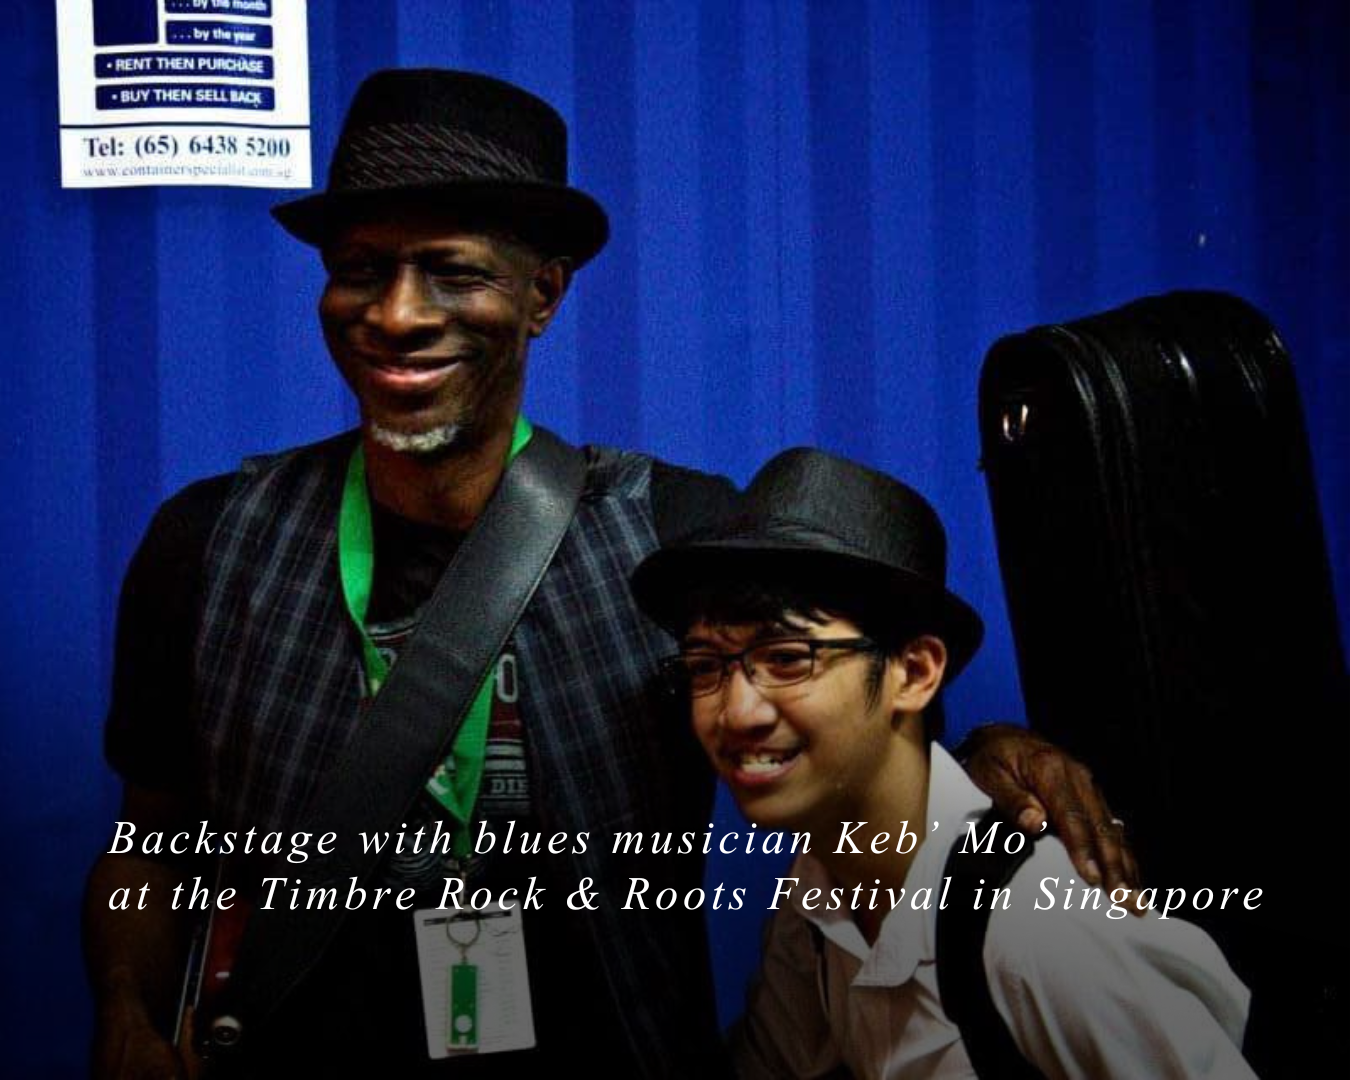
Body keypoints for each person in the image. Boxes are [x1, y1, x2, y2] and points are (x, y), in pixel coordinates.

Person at [83, 69, 1136, 1079]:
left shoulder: (676, 535)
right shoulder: (211, 544)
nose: (397, 314)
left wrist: (991, 756)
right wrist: (127, 1008)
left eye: (453, 270)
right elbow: (152, 845)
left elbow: (868, 731)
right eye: (361, 267)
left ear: (542, 294)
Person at [631, 447, 1254, 1079]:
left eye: (788, 659)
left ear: (914, 672)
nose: (736, 712)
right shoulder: (814, 900)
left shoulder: (1039, 932)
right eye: (705, 667)